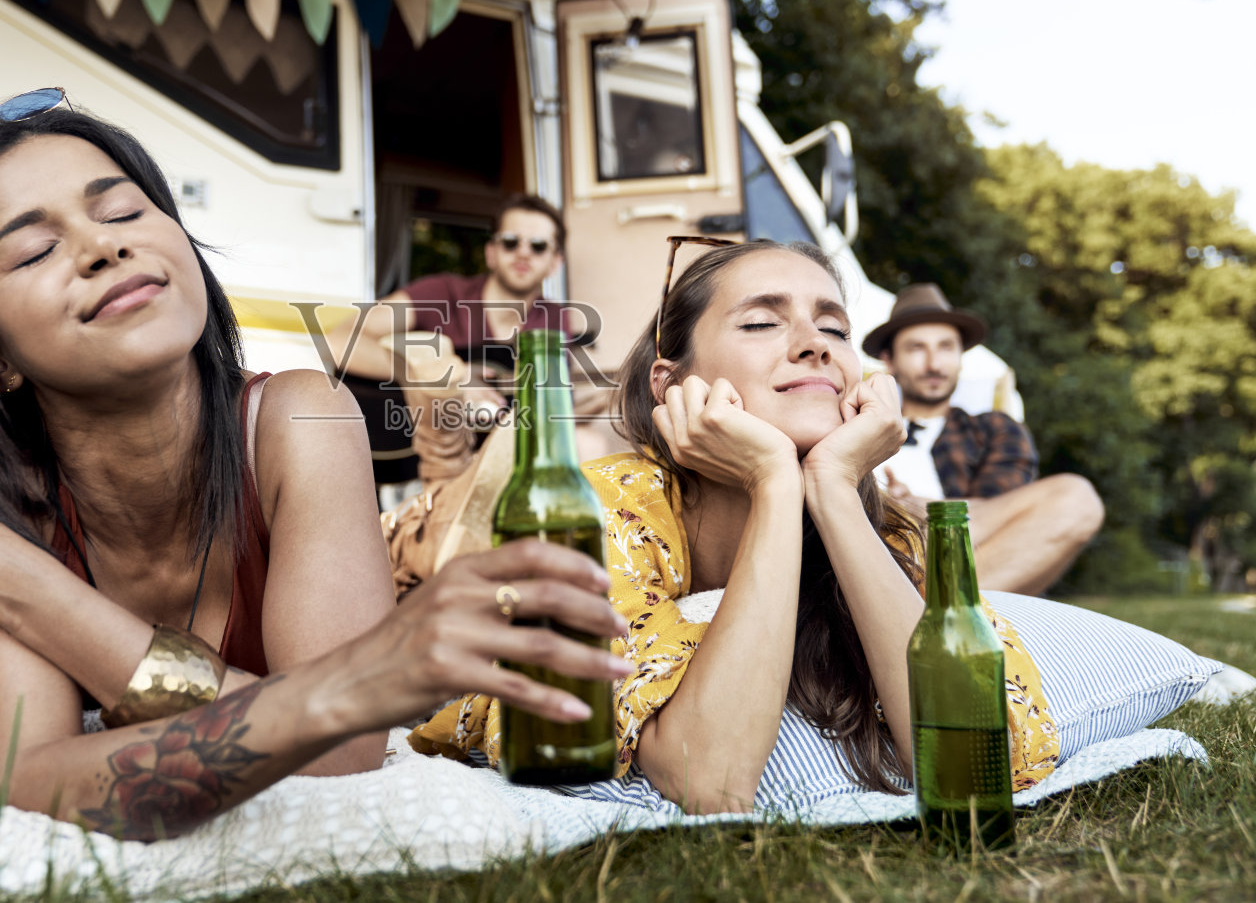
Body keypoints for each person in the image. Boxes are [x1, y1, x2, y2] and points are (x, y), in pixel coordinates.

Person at [0, 90, 630, 840]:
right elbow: (30, 782)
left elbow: (343, 752)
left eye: (122, 211)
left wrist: (16, 583)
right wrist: (337, 692)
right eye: (36, 250)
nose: (103, 246)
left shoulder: (297, 421)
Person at [405, 239, 1060, 814]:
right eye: (760, 322)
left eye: (835, 328)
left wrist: (833, 489)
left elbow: (983, 769)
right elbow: (711, 781)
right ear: (672, 382)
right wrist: (772, 480)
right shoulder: (603, 509)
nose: (815, 344)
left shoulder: (883, 530)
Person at [322, 195, 597, 482]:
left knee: (587, 443)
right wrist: (448, 379)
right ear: (491, 253)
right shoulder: (441, 293)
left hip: (489, 454)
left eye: (538, 246)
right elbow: (340, 341)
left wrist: (591, 407)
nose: (523, 253)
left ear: (555, 263)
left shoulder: (553, 319)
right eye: (510, 242)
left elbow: (548, 408)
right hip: (414, 449)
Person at [864, 283, 1104, 595]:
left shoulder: (994, 429)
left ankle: (941, 608)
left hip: (954, 555)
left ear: (961, 357)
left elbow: (1003, 513)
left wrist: (921, 508)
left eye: (946, 347)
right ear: (889, 360)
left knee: (1076, 498)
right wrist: (887, 506)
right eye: (916, 348)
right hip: (866, 552)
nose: (934, 364)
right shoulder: (855, 423)